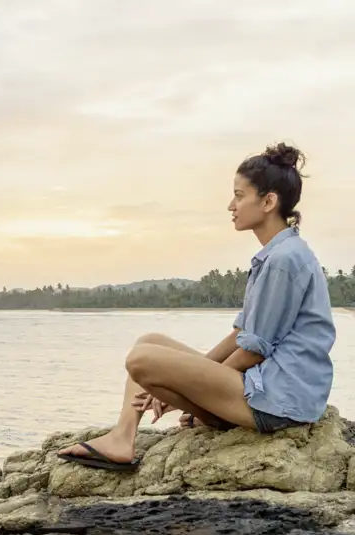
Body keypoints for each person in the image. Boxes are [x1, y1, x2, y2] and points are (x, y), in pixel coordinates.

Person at [57, 142, 336, 471]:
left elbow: (254, 350)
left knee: (141, 360)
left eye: (239, 196)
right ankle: (123, 435)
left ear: (268, 202)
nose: (231, 205)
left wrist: (190, 386)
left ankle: (150, 431)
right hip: (267, 390)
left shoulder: (285, 259)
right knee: (150, 342)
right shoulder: (276, 254)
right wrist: (190, 379)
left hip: (280, 401)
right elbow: (240, 334)